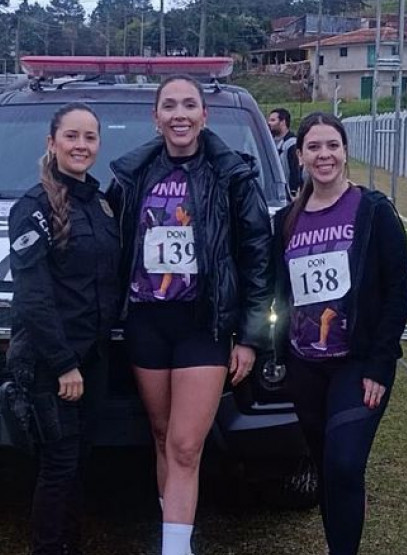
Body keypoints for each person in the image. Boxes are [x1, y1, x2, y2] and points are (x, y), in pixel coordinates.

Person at [108, 74, 273, 555]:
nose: (179, 114)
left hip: (204, 323)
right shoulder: (132, 174)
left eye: (188, 105)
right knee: (162, 435)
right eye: (169, 106)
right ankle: (173, 531)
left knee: (185, 444)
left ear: (204, 115)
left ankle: (176, 549)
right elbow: (110, 245)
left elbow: (257, 256)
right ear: (155, 117)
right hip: (147, 322)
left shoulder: (232, 174)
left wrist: (250, 336)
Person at [271, 112, 407, 555]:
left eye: (332, 145)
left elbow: (397, 290)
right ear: (300, 156)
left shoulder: (373, 211)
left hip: (357, 363)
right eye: (314, 147)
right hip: (305, 365)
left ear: (345, 152)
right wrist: (274, 350)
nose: (324, 155)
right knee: (327, 468)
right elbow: (279, 293)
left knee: (346, 463)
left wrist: (381, 364)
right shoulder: (286, 221)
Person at [8, 102, 121, 555]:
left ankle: (69, 545)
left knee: (79, 460)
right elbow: (32, 296)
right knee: (58, 462)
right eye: (71, 136)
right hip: (53, 363)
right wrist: (62, 365)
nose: (81, 145)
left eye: (90, 137)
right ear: (51, 143)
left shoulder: (101, 204)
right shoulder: (32, 207)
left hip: (94, 357)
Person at [268, 108, 304, 196]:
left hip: (287, 195)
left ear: (283, 122)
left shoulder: (292, 144)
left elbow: (295, 170)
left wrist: (293, 191)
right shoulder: (270, 142)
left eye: (273, 120)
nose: (269, 123)